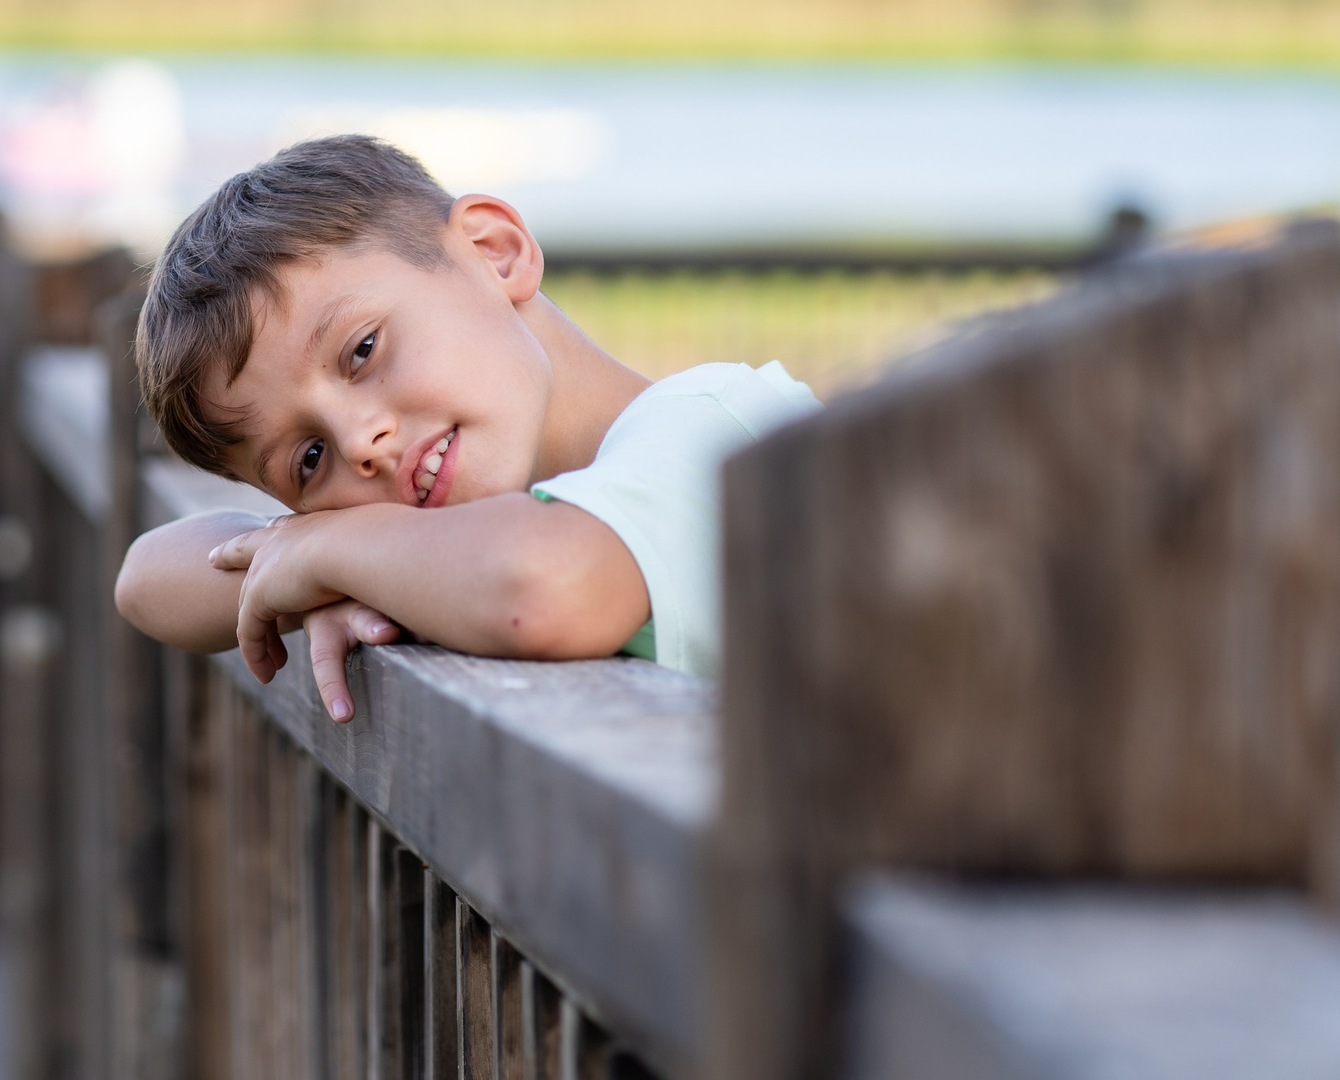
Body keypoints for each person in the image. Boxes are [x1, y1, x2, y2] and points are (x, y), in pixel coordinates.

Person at [113, 134, 818, 721]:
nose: (360, 443)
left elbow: (540, 588)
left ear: (493, 251)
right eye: (309, 457)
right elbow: (144, 580)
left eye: (362, 351)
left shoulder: (720, 432)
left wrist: (331, 551)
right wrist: (306, 553)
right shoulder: (446, 554)